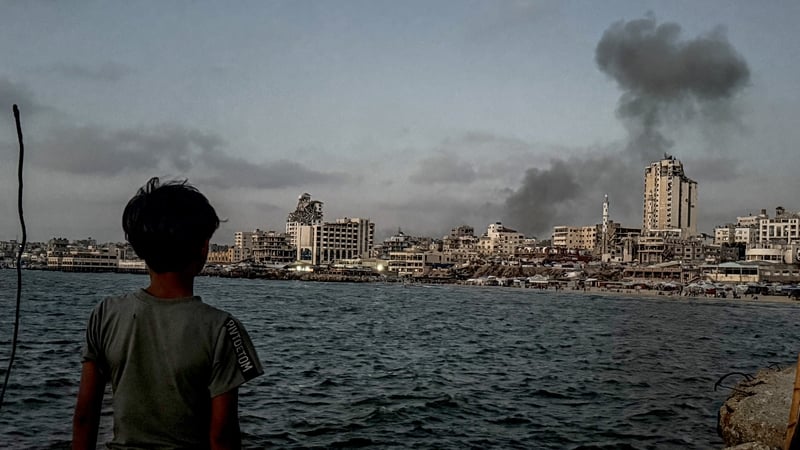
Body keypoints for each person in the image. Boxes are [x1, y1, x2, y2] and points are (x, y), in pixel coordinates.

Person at [72, 177, 263, 450]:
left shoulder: (105, 314)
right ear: (203, 248)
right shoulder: (223, 329)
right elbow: (222, 435)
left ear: (139, 248)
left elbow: (84, 417)